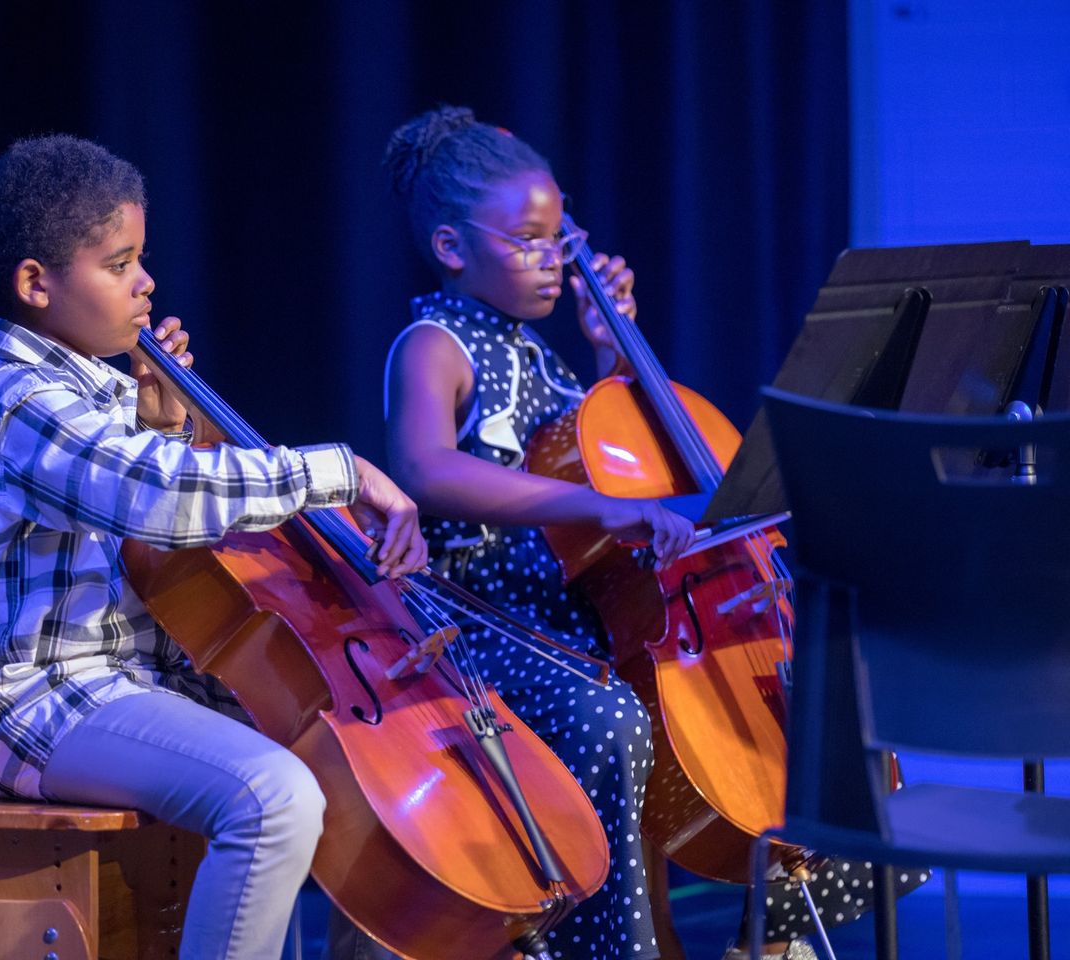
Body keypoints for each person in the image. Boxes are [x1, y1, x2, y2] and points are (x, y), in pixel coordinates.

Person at [367, 105, 929, 960]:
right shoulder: (434, 342)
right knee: (611, 718)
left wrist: (612, 352)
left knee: (780, 704)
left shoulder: (541, 355)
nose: (555, 260)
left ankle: (769, 933)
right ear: (452, 246)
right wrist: (604, 511)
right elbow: (426, 468)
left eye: (560, 238)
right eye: (529, 241)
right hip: (482, 621)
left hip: (579, 621)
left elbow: (598, 447)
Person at [0, 133, 429, 960]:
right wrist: (339, 471)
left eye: (142, 258)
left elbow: (144, 533)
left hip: (128, 682)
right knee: (270, 797)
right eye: (119, 264)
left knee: (368, 767)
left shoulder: (94, 389)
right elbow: (164, 496)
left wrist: (163, 427)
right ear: (35, 284)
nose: (146, 282)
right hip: (36, 697)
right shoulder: (19, 399)